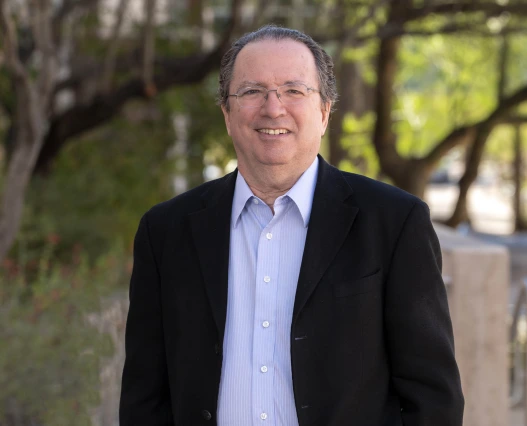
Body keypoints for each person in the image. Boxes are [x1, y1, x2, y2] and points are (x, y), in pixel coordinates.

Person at [119, 25, 464, 426]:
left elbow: (433, 397)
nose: (273, 107)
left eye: (294, 90)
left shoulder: (394, 223)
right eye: (251, 91)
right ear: (227, 115)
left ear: (324, 112)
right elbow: (144, 398)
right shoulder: (165, 232)